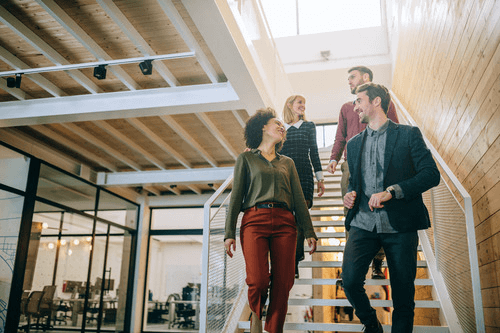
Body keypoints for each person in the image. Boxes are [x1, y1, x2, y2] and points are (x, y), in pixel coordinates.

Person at [341, 83, 440, 332]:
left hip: (401, 224)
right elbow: (354, 183)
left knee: (403, 295)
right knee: (351, 282)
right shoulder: (352, 145)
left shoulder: (408, 134)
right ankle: (372, 325)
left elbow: (431, 174)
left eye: (359, 101)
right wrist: (349, 195)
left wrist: (392, 192)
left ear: (376, 102)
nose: (355, 107)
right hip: (363, 223)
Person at [224, 108, 318, 333]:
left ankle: (274, 329)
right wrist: (229, 233)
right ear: (263, 127)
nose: (281, 127)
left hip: (286, 224)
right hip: (254, 221)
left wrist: (310, 231)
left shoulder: (288, 163)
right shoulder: (246, 158)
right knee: (257, 281)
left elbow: (297, 198)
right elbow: (236, 197)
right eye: (276, 123)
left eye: (282, 126)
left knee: (283, 282)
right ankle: (256, 320)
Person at [326, 66, 400, 279]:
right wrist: (334, 157)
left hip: (380, 164)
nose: (349, 81)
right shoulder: (346, 108)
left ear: (365, 78)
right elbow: (340, 136)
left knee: (379, 210)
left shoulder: (385, 104)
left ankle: (377, 263)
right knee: (351, 212)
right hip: (351, 166)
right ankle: (350, 265)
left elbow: (394, 128)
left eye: (352, 77)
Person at [280, 95, 325, 278]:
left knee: (299, 219)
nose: (303, 106)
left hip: (305, 175)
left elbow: (314, 151)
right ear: (289, 105)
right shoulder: (281, 129)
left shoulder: (308, 126)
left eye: (304, 103)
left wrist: (320, 178)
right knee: (288, 221)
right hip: (285, 177)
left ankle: (294, 261)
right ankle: (289, 259)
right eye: (299, 103)